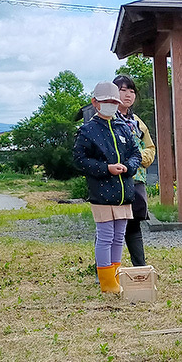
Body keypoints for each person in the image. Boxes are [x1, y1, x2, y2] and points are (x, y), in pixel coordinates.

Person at [73, 82, 141, 293]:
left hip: (124, 193)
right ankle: (106, 281)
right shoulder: (87, 130)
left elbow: (136, 154)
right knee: (105, 236)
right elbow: (80, 160)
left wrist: (128, 167)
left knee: (119, 236)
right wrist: (106, 168)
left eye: (114, 101)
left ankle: (115, 276)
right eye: (106, 101)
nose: (111, 105)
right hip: (102, 193)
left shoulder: (124, 127)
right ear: (95, 102)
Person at [113, 74, 156, 267]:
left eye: (131, 91)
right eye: (123, 90)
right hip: (113, 179)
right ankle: (105, 269)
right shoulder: (106, 118)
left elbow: (150, 148)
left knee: (134, 223)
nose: (128, 95)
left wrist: (137, 158)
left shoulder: (137, 121)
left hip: (136, 179)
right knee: (110, 226)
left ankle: (140, 267)